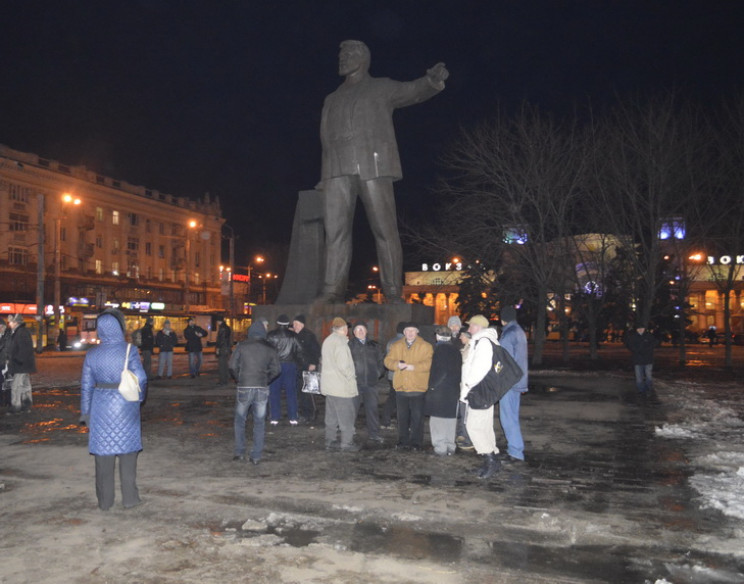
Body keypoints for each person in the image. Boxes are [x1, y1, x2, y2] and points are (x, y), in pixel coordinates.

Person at [317, 40, 448, 303]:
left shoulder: (381, 87)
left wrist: (430, 81)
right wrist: (324, 176)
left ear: (364, 59)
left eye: (349, 54)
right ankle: (332, 290)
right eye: (341, 54)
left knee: (384, 230)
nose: (343, 58)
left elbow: (411, 91)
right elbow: (325, 139)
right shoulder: (331, 98)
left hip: (372, 166)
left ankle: (391, 291)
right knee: (335, 233)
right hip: (336, 170)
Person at [80, 309, 147, 510]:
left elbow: (85, 386)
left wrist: (86, 413)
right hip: (125, 405)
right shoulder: (129, 350)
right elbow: (141, 378)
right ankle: (130, 499)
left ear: (99, 330)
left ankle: (105, 501)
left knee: (103, 457)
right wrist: (139, 398)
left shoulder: (91, 354)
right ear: (120, 327)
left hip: (100, 406)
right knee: (128, 455)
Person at [229, 319, 280, 465]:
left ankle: (239, 452)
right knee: (259, 422)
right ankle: (256, 455)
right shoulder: (270, 348)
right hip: (261, 387)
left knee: (240, 420)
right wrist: (266, 379)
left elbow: (232, 366)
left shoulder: (242, 346)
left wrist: (239, 378)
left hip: (244, 386)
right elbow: (277, 370)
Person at [460, 315, 501, 479]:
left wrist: (467, 388)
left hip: (478, 391)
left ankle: (490, 460)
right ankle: (492, 461)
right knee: (484, 426)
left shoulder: (483, 343)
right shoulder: (485, 341)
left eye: (471, 326)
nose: (469, 330)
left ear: (479, 326)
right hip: (485, 391)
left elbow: (479, 369)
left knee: (474, 427)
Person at [384, 322, 433, 450]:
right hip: (401, 388)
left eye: (413, 330)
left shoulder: (426, 346)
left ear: (417, 332)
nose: (410, 333)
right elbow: (387, 361)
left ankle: (416, 442)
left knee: (417, 417)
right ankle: (402, 441)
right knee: (402, 417)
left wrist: (413, 367)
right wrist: (396, 365)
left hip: (418, 387)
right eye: (407, 331)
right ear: (404, 332)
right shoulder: (396, 345)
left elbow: (429, 363)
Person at [321, 317, 359, 451]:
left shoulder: (328, 340)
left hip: (330, 386)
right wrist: (351, 377)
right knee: (346, 417)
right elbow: (344, 365)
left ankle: (330, 441)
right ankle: (347, 443)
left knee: (331, 417)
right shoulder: (341, 343)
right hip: (341, 387)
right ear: (344, 329)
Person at [424, 325, 461, 456]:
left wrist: (432, 385)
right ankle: (450, 446)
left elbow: (441, 371)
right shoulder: (456, 350)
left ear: (437, 336)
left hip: (440, 391)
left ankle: (440, 448)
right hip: (453, 390)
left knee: (437, 421)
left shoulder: (440, 350)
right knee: (450, 419)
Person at [498, 306, 528, 463]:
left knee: (508, 417)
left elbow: (504, 360)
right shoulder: (519, 331)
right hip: (517, 380)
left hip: (508, 382)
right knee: (512, 416)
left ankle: (515, 452)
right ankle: (515, 449)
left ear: (503, 319)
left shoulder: (508, 334)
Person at [348, 321, 385, 444]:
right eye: (357, 329)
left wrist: (378, 373)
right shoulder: (349, 345)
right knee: (352, 410)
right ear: (353, 332)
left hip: (371, 384)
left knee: (372, 410)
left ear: (367, 331)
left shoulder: (374, 345)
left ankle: (374, 433)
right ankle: (348, 433)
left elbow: (381, 361)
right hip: (355, 384)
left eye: (362, 329)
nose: (360, 331)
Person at [266, 314, 303, 425]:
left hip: (275, 365)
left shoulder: (271, 335)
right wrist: (299, 364)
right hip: (290, 365)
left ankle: (275, 417)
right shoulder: (293, 336)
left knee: (274, 391)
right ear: (288, 324)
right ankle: (293, 417)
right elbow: (299, 351)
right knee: (291, 391)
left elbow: (267, 351)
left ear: (277, 323)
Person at [292, 314, 321, 423]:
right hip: (298, 368)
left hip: (308, 367)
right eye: (294, 324)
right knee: (300, 391)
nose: (295, 326)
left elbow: (316, 350)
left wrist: (313, 363)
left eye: (297, 324)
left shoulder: (309, 335)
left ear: (302, 325)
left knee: (309, 391)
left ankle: (311, 412)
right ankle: (303, 413)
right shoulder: (294, 335)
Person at [6, 314, 36, 415]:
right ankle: (26, 405)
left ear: (16, 322)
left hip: (20, 365)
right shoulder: (21, 331)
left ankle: (16, 407)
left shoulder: (20, 332)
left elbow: (24, 349)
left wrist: (17, 360)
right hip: (24, 365)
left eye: (10, 322)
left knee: (16, 386)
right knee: (25, 386)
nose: (9, 323)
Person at [380, 321, 405, 428]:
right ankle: (397, 422)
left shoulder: (391, 341)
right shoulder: (404, 343)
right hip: (401, 375)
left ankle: (386, 420)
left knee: (392, 397)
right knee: (401, 399)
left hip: (391, 375)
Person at [625, 324, 658, 395]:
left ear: (644, 329)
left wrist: (647, 350)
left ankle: (649, 388)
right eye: (639, 328)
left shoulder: (649, 336)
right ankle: (641, 389)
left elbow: (654, 343)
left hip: (648, 359)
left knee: (648, 375)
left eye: (642, 328)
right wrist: (636, 350)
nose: (640, 330)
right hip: (638, 359)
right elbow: (629, 345)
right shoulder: (633, 337)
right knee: (639, 376)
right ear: (636, 329)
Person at [215, 319, 233, 386]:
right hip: (227, 348)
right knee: (225, 364)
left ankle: (223, 381)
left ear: (219, 321)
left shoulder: (222, 328)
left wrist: (218, 348)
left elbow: (221, 339)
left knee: (222, 365)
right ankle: (226, 379)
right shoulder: (227, 327)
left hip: (223, 348)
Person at [0, 318, 10, 408]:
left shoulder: (8, 336)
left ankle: (8, 401)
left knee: (7, 383)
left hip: (5, 363)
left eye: (2, 326)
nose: (0, 328)